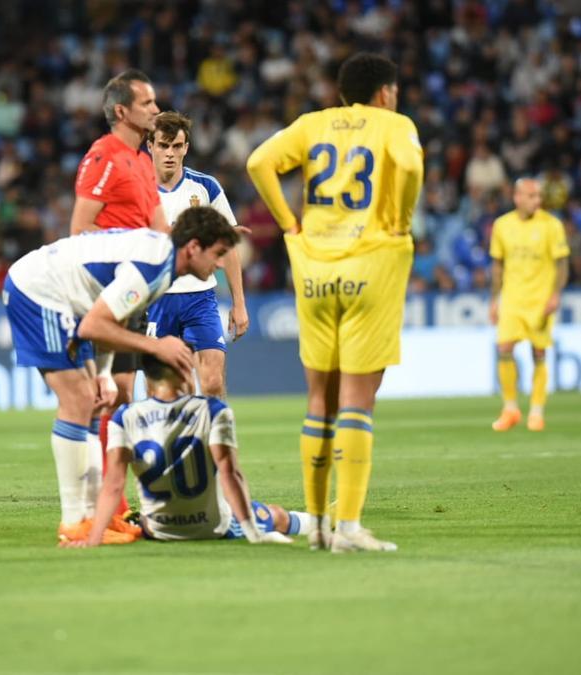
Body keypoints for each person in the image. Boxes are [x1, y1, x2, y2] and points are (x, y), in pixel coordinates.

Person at [246, 52, 423, 553]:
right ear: (385, 92)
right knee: (357, 403)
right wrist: (402, 219)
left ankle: (319, 527)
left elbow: (258, 162)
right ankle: (348, 528)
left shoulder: (311, 125)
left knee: (318, 402)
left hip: (314, 269)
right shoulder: (393, 125)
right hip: (371, 264)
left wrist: (288, 223)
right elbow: (409, 165)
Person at [4, 206, 239, 544]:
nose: (219, 265)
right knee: (77, 399)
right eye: (217, 254)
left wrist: (102, 372)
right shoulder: (155, 266)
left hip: (68, 298)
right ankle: (74, 524)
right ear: (193, 248)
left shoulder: (162, 259)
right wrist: (155, 347)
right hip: (41, 292)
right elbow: (94, 325)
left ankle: (96, 516)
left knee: (92, 401)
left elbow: (115, 318)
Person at [70, 353, 312, 547]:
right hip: (213, 527)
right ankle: (321, 522)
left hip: (158, 530)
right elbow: (230, 474)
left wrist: (94, 538)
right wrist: (252, 532)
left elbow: (113, 483)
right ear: (185, 371)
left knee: (140, 513)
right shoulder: (213, 410)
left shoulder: (125, 416)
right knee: (276, 515)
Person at [69, 69, 170, 517]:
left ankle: (117, 499)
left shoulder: (145, 162)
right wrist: (127, 256)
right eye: (148, 103)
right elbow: (80, 227)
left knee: (125, 397)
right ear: (121, 111)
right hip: (107, 290)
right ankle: (98, 505)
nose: (156, 109)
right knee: (108, 394)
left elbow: (159, 228)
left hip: (137, 290)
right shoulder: (104, 155)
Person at [147, 111, 249, 398]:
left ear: (186, 148)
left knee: (213, 381)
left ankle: (215, 439)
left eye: (177, 146)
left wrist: (238, 303)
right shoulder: (138, 190)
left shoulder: (205, 187)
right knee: (164, 389)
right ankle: (169, 439)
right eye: (163, 145)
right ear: (150, 146)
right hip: (157, 299)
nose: (170, 153)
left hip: (200, 298)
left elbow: (227, 246)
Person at [488, 178, 570, 432]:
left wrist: (555, 295)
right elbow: (498, 264)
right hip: (512, 299)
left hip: (539, 299)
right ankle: (510, 408)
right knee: (504, 348)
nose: (538, 200)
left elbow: (562, 264)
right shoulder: (502, 225)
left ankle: (536, 411)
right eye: (532, 196)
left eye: (538, 196)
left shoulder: (552, 225)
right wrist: (494, 299)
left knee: (538, 353)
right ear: (517, 197)